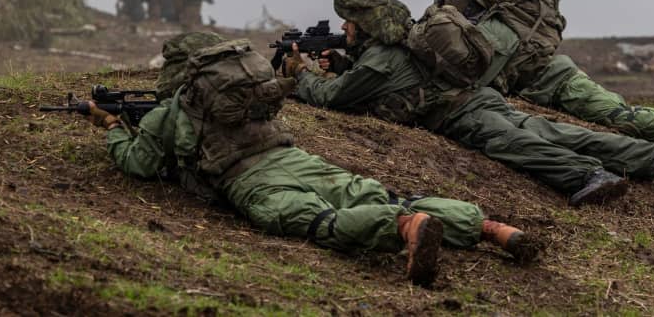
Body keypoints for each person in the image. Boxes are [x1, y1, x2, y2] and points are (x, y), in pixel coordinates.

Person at [81, 36, 540, 287]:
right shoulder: (239, 87)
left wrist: (111, 128)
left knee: (319, 220)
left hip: (250, 179)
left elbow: (140, 164)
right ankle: (489, 229)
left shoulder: (177, 107)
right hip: (295, 157)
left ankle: (403, 228)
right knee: (375, 191)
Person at [286, 0, 654, 207]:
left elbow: (334, 99)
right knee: (554, 131)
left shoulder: (378, 60)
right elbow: (374, 81)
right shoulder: (395, 48)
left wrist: (300, 74)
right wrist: (343, 63)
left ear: (368, 24)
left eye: (351, 21)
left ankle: (587, 176)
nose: (345, 26)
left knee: (512, 143)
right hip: (480, 97)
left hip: (463, 113)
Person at [432, 0, 654, 167]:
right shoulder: (498, 25)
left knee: (618, 115)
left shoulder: (493, 31)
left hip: (560, 84)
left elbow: (485, 77)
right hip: (560, 76)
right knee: (619, 110)